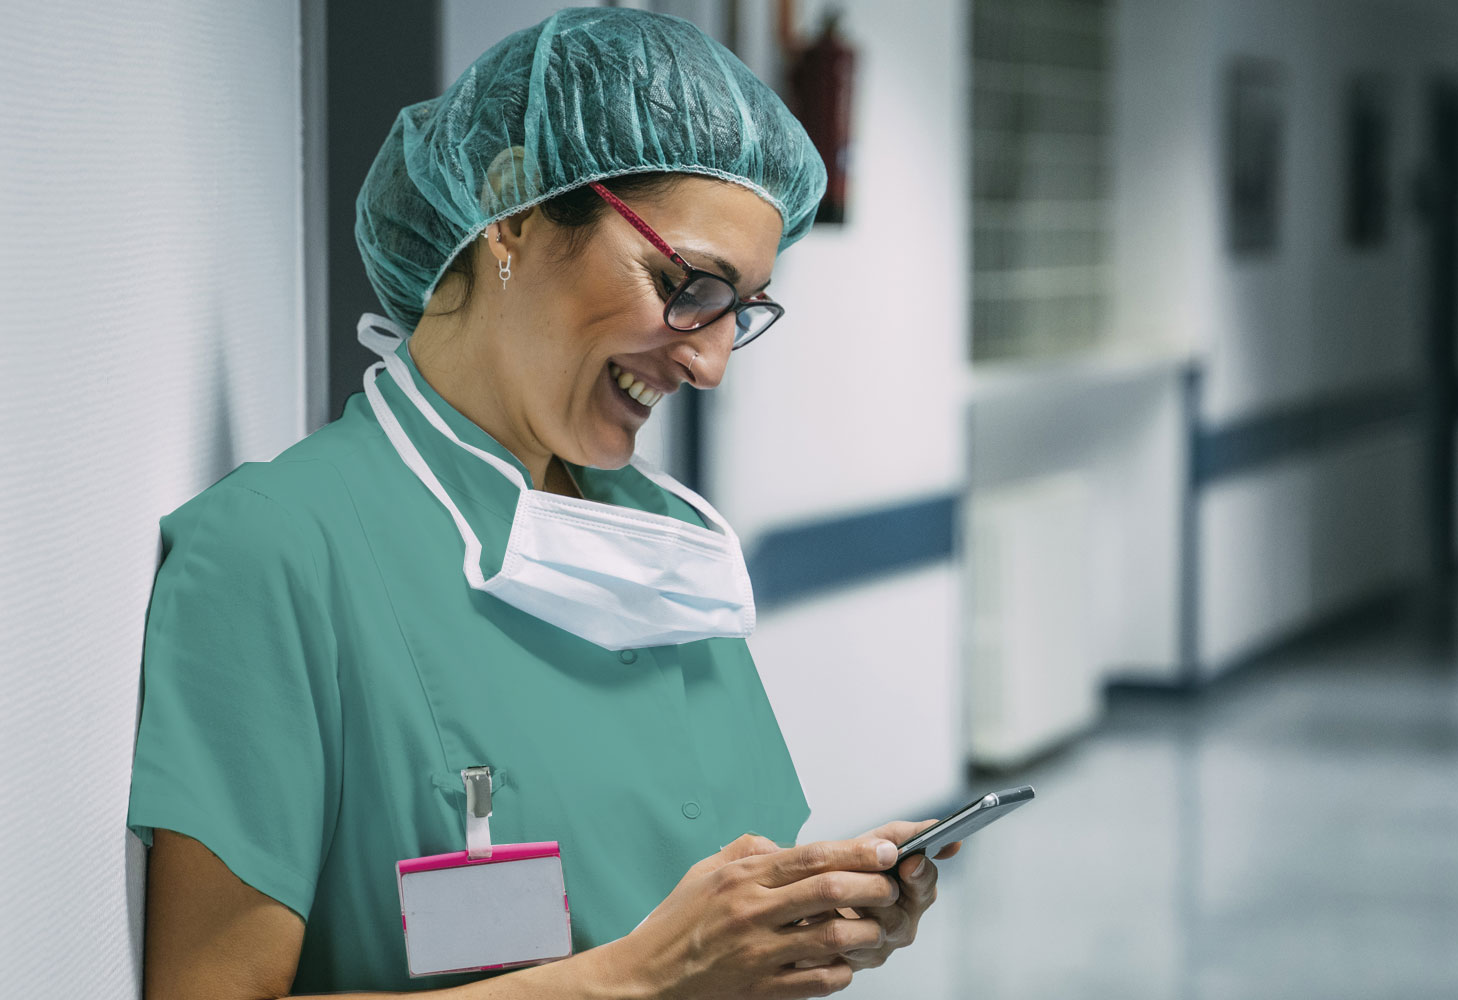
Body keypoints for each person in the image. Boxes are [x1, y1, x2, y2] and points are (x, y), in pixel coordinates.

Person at [126, 8, 959, 998]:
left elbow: (695, 893)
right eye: (689, 284)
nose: (709, 360)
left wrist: (796, 918)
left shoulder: (663, 547)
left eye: (743, 309)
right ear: (514, 206)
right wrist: (646, 975)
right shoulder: (278, 554)